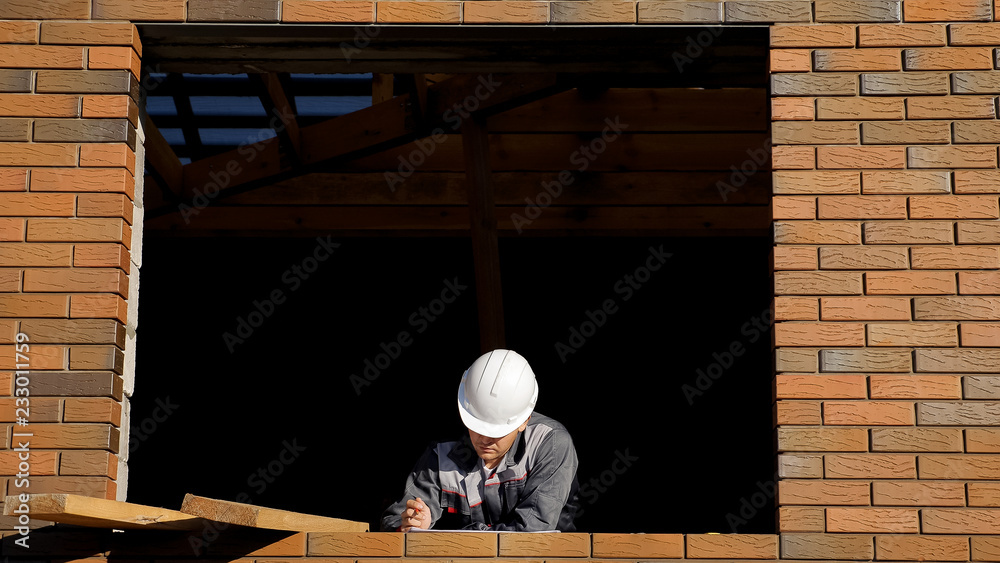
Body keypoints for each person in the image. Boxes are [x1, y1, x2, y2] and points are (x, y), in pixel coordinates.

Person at [380, 349, 580, 531]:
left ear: (523, 421)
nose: (485, 439)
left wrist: (452, 537)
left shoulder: (550, 444)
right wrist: (408, 527)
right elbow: (394, 522)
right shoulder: (443, 451)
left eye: (496, 431)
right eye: (476, 426)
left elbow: (530, 534)